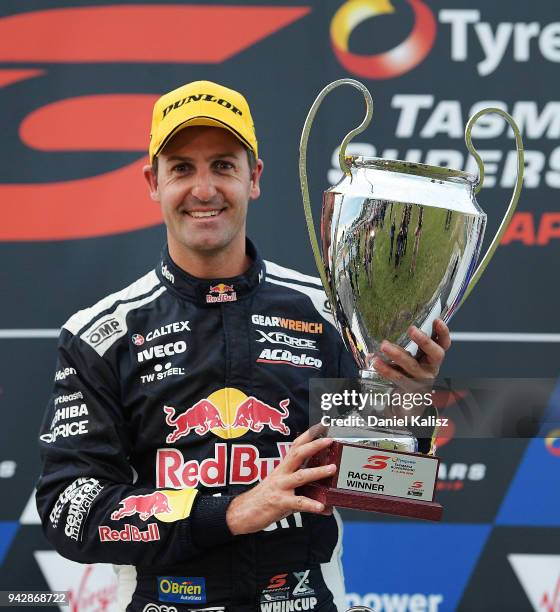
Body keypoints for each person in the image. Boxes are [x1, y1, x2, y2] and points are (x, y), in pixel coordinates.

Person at [36, 80, 451, 612]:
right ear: (153, 182)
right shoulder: (100, 335)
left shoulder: (333, 315)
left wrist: (405, 406)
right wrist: (232, 512)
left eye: (224, 166)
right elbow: (69, 510)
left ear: (254, 178)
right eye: (182, 168)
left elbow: (392, 484)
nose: (203, 189)